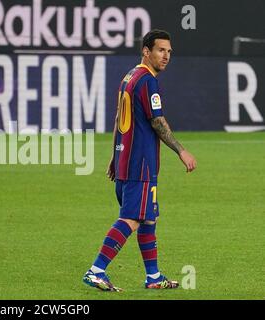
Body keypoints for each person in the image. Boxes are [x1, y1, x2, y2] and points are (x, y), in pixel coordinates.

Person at [83, 29, 197, 291]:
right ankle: (96, 270)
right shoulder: (147, 80)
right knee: (132, 218)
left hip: (125, 160)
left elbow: (118, 119)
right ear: (146, 51)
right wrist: (181, 150)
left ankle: (153, 277)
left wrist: (115, 155)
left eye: (169, 51)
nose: (166, 56)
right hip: (140, 164)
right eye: (160, 50)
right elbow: (157, 121)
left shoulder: (129, 77)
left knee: (149, 218)